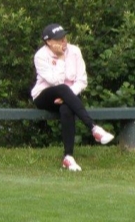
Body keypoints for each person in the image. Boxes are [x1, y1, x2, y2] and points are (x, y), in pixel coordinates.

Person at [31, 23, 115, 171]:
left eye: (64, 37)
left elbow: (82, 81)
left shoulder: (75, 51)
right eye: (59, 40)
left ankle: (68, 157)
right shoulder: (40, 56)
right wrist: (61, 58)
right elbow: (55, 81)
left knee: (66, 108)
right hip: (45, 94)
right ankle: (93, 128)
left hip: (69, 97)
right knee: (63, 88)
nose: (64, 42)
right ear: (48, 42)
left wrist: (67, 96)